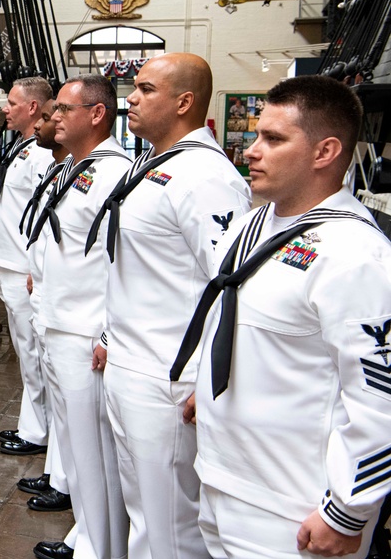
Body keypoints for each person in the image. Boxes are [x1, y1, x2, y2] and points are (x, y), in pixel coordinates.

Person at [172, 75, 391, 559]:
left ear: (324, 152)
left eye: (273, 139)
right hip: (225, 478)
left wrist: (348, 511)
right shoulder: (260, 222)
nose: (252, 150)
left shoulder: (357, 256)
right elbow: (240, 316)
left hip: (293, 508)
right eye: (256, 136)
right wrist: (206, 391)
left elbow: (381, 399)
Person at [87, 53, 251, 559]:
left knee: (173, 529)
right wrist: (112, 337)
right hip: (132, 364)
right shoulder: (155, 162)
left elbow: (231, 285)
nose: (131, 98)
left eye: (145, 88)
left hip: (169, 377)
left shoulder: (205, 177)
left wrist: (207, 378)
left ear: (184, 102)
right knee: (144, 517)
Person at [32, 75, 131, 559]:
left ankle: (100, 547)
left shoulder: (114, 171)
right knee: (75, 448)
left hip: (86, 328)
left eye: (64, 109)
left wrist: (109, 333)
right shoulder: (76, 167)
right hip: (58, 320)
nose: (54, 118)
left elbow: (121, 262)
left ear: (96, 114)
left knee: (94, 454)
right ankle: (86, 533)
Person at [0, 75, 56, 456]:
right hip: (10, 262)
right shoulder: (23, 147)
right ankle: (32, 424)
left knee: (33, 352)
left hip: (24, 267)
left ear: (33, 108)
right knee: (25, 351)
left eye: (13, 103)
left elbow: (46, 217)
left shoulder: (44, 154)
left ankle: (39, 432)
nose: (6, 109)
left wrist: (37, 267)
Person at [18, 100, 73, 515]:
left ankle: (68, 485)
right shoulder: (65, 167)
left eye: (60, 114)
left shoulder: (104, 171)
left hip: (80, 318)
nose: (50, 123)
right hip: (49, 297)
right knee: (63, 408)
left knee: (78, 422)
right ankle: (58, 475)